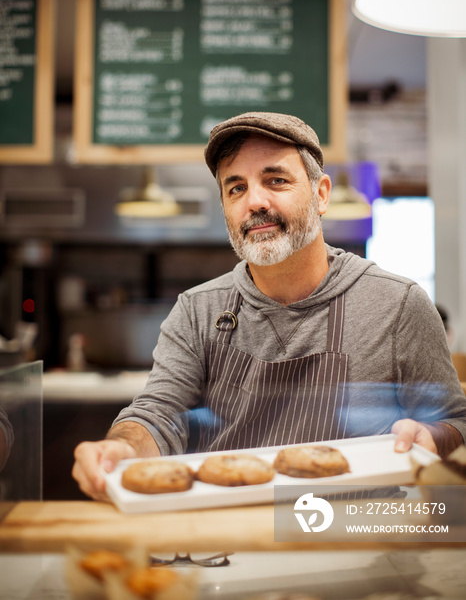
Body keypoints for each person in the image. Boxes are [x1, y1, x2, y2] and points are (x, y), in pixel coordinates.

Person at [73, 112, 466, 501]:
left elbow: (456, 421)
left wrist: (434, 436)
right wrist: (122, 447)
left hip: (355, 544)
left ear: (321, 194)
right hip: (225, 548)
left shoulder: (397, 305)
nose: (255, 201)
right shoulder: (197, 310)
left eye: (275, 180)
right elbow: (158, 415)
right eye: (236, 188)